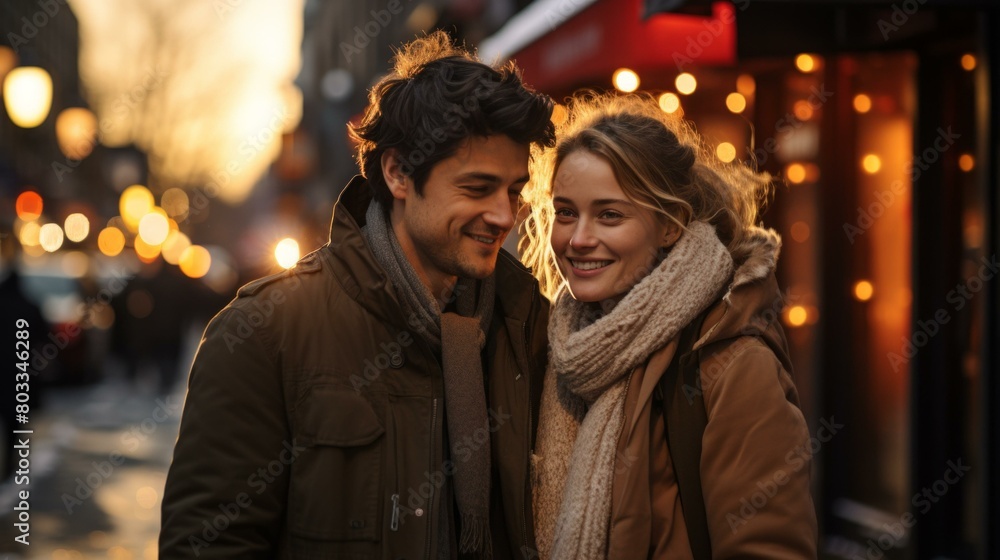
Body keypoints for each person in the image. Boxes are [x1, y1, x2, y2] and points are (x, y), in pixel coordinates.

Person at [159, 31, 555, 559]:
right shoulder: (265, 332)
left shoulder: (527, 326)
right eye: (477, 188)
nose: (505, 216)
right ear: (398, 173)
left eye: (514, 191)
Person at [521, 93, 818, 559]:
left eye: (610, 215)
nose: (578, 240)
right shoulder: (553, 349)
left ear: (671, 226)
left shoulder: (733, 365)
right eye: (565, 212)